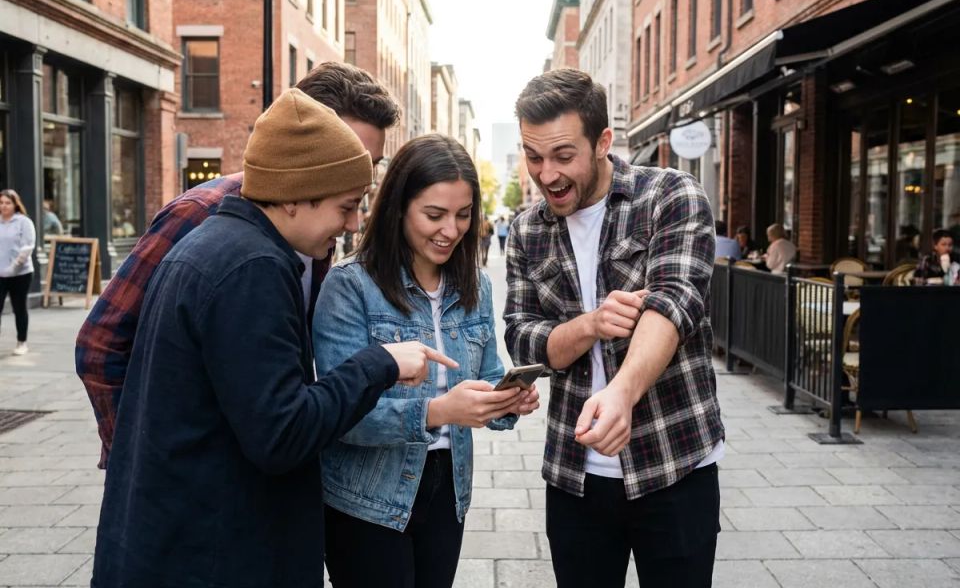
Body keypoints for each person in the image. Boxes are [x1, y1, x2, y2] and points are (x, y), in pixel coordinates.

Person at [92, 88, 452, 587]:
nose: (351, 224)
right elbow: (283, 433)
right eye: (345, 206)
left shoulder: (219, 245)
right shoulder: (253, 268)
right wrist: (380, 364)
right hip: (213, 552)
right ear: (294, 197)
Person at [75, 61, 399, 469]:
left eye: (372, 163)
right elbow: (101, 342)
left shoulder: (319, 225)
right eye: (349, 152)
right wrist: (139, 457)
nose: (360, 174)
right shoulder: (202, 213)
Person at [504, 69, 724, 588]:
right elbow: (523, 337)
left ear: (603, 142)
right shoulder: (526, 230)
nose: (546, 174)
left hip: (675, 463)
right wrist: (590, 325)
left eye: (562, 155)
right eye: (533, 157)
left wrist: (622, 393)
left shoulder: (670, 196)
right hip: (575, 476)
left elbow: (674, 305)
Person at [314, 134, 540, 588]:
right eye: (434, 215)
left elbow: (488, 374)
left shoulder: (474, 284)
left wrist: (505, 401)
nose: (451, 230)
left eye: (463, 215)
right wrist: (439, 412)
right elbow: (338, 414)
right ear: (398, 207)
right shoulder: (351, 286)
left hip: (447, 488)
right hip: (367, 495)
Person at [0, 189, 36, 356]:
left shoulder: (24, 222)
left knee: (19, 308)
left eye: (8, 203)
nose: (4, 206)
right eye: (1, 203)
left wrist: (13, 267)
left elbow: (27, 247)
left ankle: (22, 342)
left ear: (15, 204)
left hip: (20, 274)